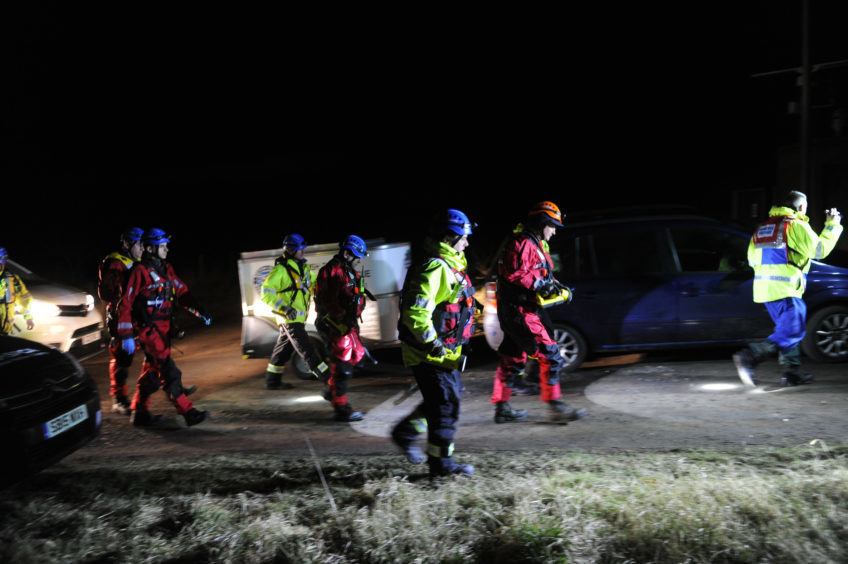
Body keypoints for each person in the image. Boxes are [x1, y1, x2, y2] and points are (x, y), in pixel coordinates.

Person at [391, 209, 478, 478]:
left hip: (443, 351)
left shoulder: (450, 265)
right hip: (430, 353)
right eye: (463, 238)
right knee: (445, 405)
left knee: (442, 401)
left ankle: (406, 432)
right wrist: (434, 346)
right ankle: (442, 467)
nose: (466, 243)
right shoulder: (436, 267)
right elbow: (416, 313)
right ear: (449, 237)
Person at [490, 201, 587, 423]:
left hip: (522, 309)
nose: (554, 232)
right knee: (551, 355)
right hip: (519, 310)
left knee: (512, 359)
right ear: (542, 223)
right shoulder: (523, 243)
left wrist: (557, 287)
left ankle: (502, 408)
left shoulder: (537, 244)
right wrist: (540, 284)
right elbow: (516, 274)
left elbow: (542, 274)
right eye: (552, 226)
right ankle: (555, 406)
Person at [733, 191, 843, 387]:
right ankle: (751, 355)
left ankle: (792, 372)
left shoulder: (763, 228)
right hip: (786, 288)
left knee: (787, 329)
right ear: (801, 207)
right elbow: (819, 251)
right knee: (793, 330)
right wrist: (832, 225)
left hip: (765, 290)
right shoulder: (795, 225)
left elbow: (751, 259)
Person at [116, 228, 211, 427]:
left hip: (165, 328)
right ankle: (188, 411)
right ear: (150, 248)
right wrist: (126, 336)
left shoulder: (167, 269)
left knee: (152, 373)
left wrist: (198, 310)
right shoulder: (139, 271)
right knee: (169, 371)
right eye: (163, 247)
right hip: (149, 330)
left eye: (167, 246)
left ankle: (139, 412)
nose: (167, 250)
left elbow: (182, 291)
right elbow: (124, 304)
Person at [260, 233, 329, 389]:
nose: (303, 251)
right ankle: (329, 380)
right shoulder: (281, 270)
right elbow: (266, 291)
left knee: (282, 350)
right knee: (308, 350)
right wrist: (284, 307)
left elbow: (315, 284)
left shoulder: (303, 268)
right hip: (289, 318)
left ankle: (272, 381)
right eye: (300, 249)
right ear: (291, 250)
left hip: (297, 318)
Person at [314, 235, 369, 422]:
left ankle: (332, 390)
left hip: (347, 324)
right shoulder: (330, 271)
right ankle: (341, 408)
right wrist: (340, 321)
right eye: (356, 255)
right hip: (336, 325)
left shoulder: (348, 271)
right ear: (346, 253)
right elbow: (326, 302)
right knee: (342, 365)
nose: (358, 259)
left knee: (356, 358)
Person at [97, 227, 144, 415]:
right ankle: (119, 399)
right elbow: (108, 292)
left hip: (139, 314)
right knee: (122, 358)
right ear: (127, 244)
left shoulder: (138, 261)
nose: (142, 248)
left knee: (156, 348)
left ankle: (172, 387)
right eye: (139, 244)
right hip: (120, 315)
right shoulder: (115, 263)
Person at [0, 247, 34, 336]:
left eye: (2, 262)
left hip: (5, 329)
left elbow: (25, 299)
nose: (2, 265)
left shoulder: (12, 279)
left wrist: (28, 318)